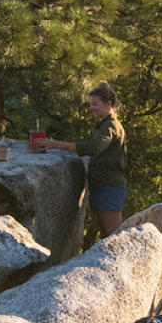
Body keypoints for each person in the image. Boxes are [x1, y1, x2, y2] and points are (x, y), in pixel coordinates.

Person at [46, 81, 128, 238]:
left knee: (113, 238)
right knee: (107, 237)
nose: (91, 108)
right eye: (91, 104)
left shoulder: (111, 126)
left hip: (109, 187)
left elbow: (93, 147)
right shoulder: (106, 125)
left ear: (109, 104)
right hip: (103, 187)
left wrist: (55, 144)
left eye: (95, 104)